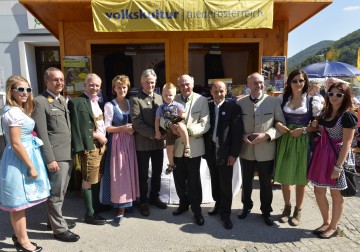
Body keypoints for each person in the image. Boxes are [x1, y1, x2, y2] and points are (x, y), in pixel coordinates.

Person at [0, 76, 50, 252]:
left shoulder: (17, 109)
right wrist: (31, 166)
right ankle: (23, 241)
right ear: (11, 91)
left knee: (20, 203)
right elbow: (15, 143)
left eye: (27, 90)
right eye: (20, 89)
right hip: (19, 161)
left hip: (21, 157)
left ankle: (19, 235)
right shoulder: (13, 112)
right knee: (18, 204)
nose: (25, 93)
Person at [32, 67, 80, 242]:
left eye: (61, 79)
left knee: (61, 191)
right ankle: (59, 230)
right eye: (55, 80)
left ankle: (52, 221)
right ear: (46, 81)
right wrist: (50, 159)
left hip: (67, 153)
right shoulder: (40, 101)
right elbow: (42, 134)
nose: (59, 82)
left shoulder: (60, 100)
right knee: (56, 194)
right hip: (56, 156)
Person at [308, 81, 357, 239]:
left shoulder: (348, 116)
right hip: (321, 154)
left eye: (339, 94)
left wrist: (338, 167)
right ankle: (326, 221)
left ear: (345, 97)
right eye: (331, 94)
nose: (334, 97)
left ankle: (333, 227)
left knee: (336, 194)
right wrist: (315, 123)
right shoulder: (325, 112)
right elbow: (318, 127)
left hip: (336, 156)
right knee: (318, 190)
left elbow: (347, 143)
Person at [273, 69, 323, 226]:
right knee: (285, 176)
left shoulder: (312, 100)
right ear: (289, 82)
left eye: (301, 80)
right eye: (295, 81)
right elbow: (274, 119)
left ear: (305, 81)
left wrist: (304, 130)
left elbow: (318, 125)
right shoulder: (282, 99)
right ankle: (286, 208)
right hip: (286, 139)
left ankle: (298, 210)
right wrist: (278, 124)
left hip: (302, 141)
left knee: (301, 177)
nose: (298, 84)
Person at [236, 72, 285, 226]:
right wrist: (242, 135)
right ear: (248, 85)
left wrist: (267, 136)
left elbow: (280, 125)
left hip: (266, 150)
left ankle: (266, 210)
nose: (259, 86)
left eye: (261, 82)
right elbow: (236, 126)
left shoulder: (273, 101)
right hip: (247, 150)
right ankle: (246, 206)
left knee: (265, 183)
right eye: (255, 83)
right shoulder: (241, 103)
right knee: (247, 182)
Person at [161, 74, 210, 226]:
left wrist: (187, 131)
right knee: (179, 178)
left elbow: (205, 123)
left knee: (194, 180)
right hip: (176, 147)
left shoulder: (201, 100)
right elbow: (163, 117)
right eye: (182, 85)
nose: (185, 87)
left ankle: (197, 210)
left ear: (193, 84)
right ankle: (183, 204)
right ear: (178, 87)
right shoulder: (173, 99)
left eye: (187, 84)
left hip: (193, 147)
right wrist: (168, 125)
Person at [68, 73, 107, 225]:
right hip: (89, 146)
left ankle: (96, 206)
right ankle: (89, 213)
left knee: (97, 176)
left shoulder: (99, 102)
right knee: (88, 179)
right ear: (85, 85)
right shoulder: (77, 102)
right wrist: (96, 135)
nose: (94, 88)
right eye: (91, 84)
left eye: (97, 85)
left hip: (101, 146)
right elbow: (76, 126)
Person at [203, 80, 243, 229]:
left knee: (226, 184)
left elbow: (237, 133)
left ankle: (226, 214)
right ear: (211, 92)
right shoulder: (206, 107)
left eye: (221, 91)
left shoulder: (234, 108)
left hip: (226, 153)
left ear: (226, 92)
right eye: (215, 91)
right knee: (214, 180)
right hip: (210, 151)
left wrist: (234, 154)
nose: (218, 94)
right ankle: (218, 205)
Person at [102, 75, 140, 224]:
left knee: (130, 171)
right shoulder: (109, 105)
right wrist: (123, 128)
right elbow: (107, 128)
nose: (122, 89)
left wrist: (133, 129)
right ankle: (120, 208)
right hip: (117, 142)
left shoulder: (131, 103)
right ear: (114, 89)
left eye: (124, 87)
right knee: (119, 174)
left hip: (130, 141)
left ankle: (129, 202)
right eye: (119, 87)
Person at [130, 69, 167, 217]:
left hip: (158, 144)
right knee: (143, 175)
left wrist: (165, 131)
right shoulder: (135, 99)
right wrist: (155, 134)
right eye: (147, 82)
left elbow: (165, 118)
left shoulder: (160, 98)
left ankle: (154, 196)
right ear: (141, 83)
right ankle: (143, 201)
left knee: (157, 172)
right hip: (143, 144)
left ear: (155, 82)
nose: (150, 85)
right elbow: (137, 124)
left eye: (152, 82)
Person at [155, 83, 190, 175]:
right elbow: (157, 120)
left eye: (170, 95)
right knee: (169, 148)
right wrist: (157, 131)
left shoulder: (179, 105)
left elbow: (185, 115)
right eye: (165, 95)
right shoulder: (160, 108)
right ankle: (171, 164)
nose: (168, 97)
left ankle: (187, 146)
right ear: (162, 94)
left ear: (175, 95)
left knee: (182, 126)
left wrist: (181, 114)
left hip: (178, 123)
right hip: (169, 130)